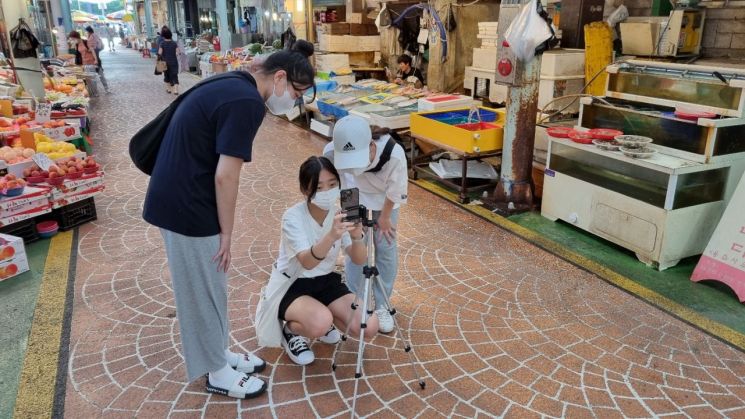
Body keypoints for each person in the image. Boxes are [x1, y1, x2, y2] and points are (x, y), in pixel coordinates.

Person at [142, 42, 315, 400]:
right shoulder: (247, 102)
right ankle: (216, 372)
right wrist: (227, 234)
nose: (294, 103)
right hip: (185, 205)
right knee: (201, 291)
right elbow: (226, 176)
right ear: (279, 77)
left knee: (213, 285)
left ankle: (219, 354)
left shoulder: (236, 83)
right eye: (296, 93)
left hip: (184, 194)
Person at [254, 156, 378, 365]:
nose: (327, 192)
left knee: (369, 326)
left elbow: (359, 259)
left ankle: (320, 315)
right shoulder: (293, 217)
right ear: (305, 190)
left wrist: (357, 235)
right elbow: (307, 262)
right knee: (320, 322)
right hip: (292, 283)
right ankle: (291, 331)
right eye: (319, 187)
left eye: (332, 185)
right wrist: (331, 235)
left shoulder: (340, 214)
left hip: (325, 280)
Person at [323, 116, 408, 334]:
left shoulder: (394, 154)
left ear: (371, 146)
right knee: (356, 246)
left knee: (385, 247)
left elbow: (395, 189)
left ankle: (382, 306)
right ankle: (355, 300)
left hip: (384, 200)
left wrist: (385, 217)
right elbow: (337, 181)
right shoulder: (332, 151)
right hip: (352, 194)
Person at [84, 26, 110, 94]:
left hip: (93, 60)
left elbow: (91, 49)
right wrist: (97, 51)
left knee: (94, 76)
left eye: (86, 32)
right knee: (101, 74)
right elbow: (101, 46)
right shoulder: (96, 36)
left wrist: (90, 50)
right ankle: (106, 89)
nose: (86, 33)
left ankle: (96, 93)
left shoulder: (90, 38)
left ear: (88, 31)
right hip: (98, 58)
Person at [158, 27, 181, 95]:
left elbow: (160, 53)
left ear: (163, 35)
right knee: (174, 75)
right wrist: (175, 54)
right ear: (170, 35)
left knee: (166, 75)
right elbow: (178, 52)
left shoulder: (162, 43)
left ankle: (169, 89)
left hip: (164, 62)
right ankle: (176, 90)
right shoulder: (174, 43)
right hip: (173, 62)